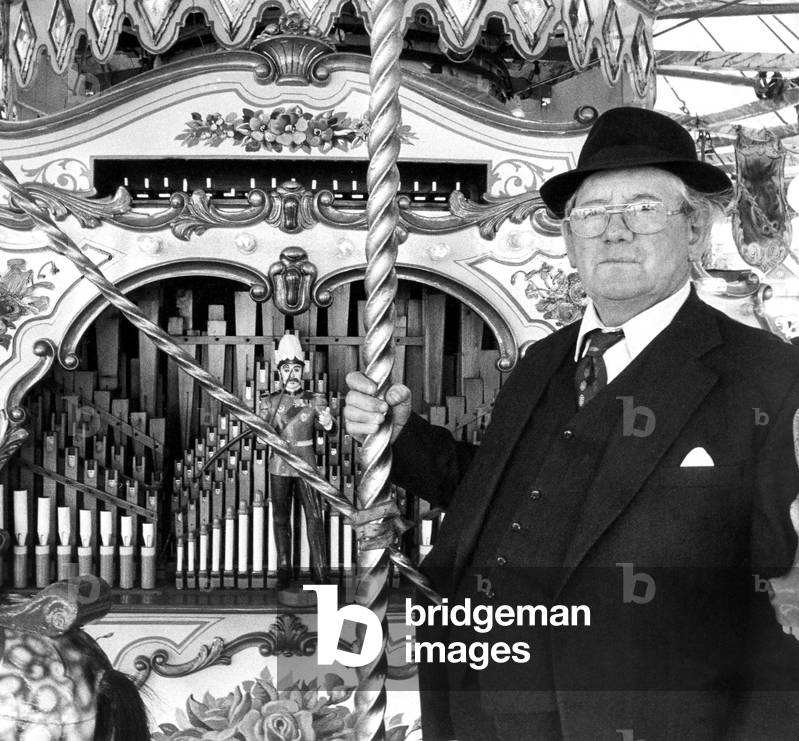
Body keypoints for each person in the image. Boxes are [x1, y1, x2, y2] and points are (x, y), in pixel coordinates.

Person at [344, 107, 799, 740]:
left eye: (643, 208)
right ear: (569, 237)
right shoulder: (543, 360)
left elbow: (787, 605)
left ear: (694, 231)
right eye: (590, 213)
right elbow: (496, 495)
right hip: (479, 706)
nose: (613, 231)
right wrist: (401, 435)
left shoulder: (770, 376)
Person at [260, 332, 334, 590]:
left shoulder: (315, 400)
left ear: (303, 371)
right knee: (281, 519)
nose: (291, 375)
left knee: (314, 517)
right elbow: (261, 438)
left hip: (307, 464)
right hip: (279, 466)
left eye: (295, 369)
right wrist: (265, 434)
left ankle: (320, 571)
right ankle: (284, 569)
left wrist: (328, 423)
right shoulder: (269, 402)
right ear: (279, 373)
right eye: (286, 369)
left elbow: (330, 430)